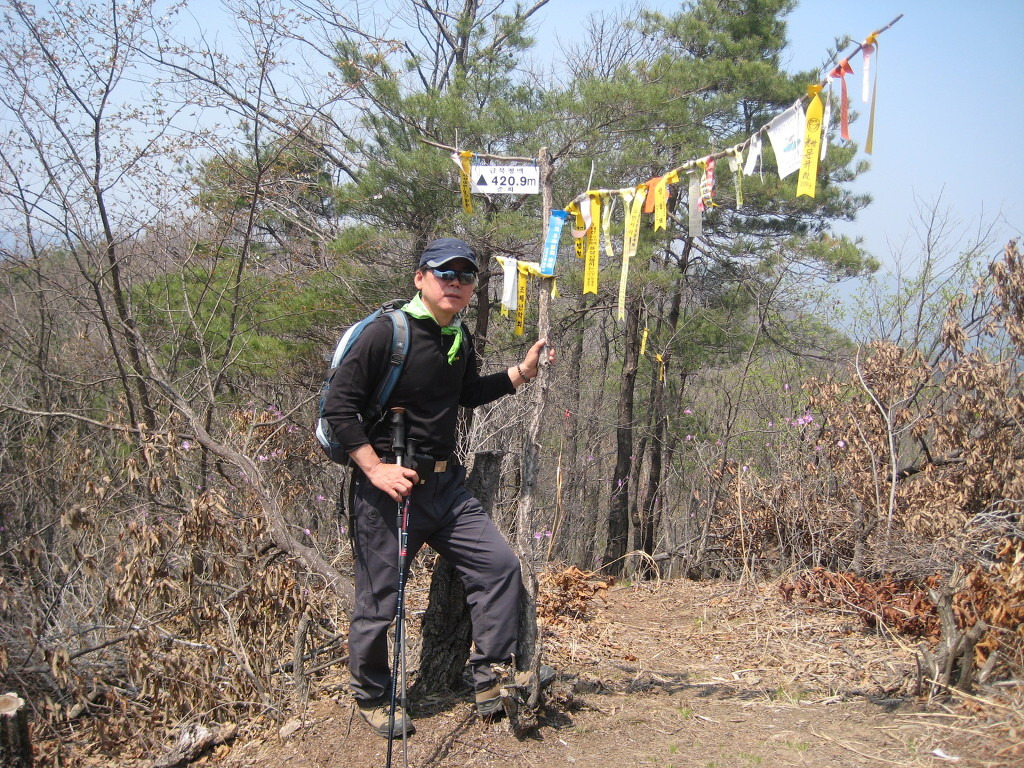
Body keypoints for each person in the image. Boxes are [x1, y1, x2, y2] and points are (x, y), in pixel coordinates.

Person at [322, 237, 555, 737]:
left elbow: (467, 393)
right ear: (420, 278)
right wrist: (374, 469)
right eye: (444, 273)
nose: (455, 282)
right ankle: (372, 695)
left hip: (447, 488)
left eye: (465, 276)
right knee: (379, 602)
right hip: (388, 490)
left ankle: (488, 676)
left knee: (498, 567)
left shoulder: (458, 336)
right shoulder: (386, 333)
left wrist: (520, 373)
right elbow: (338, 409)